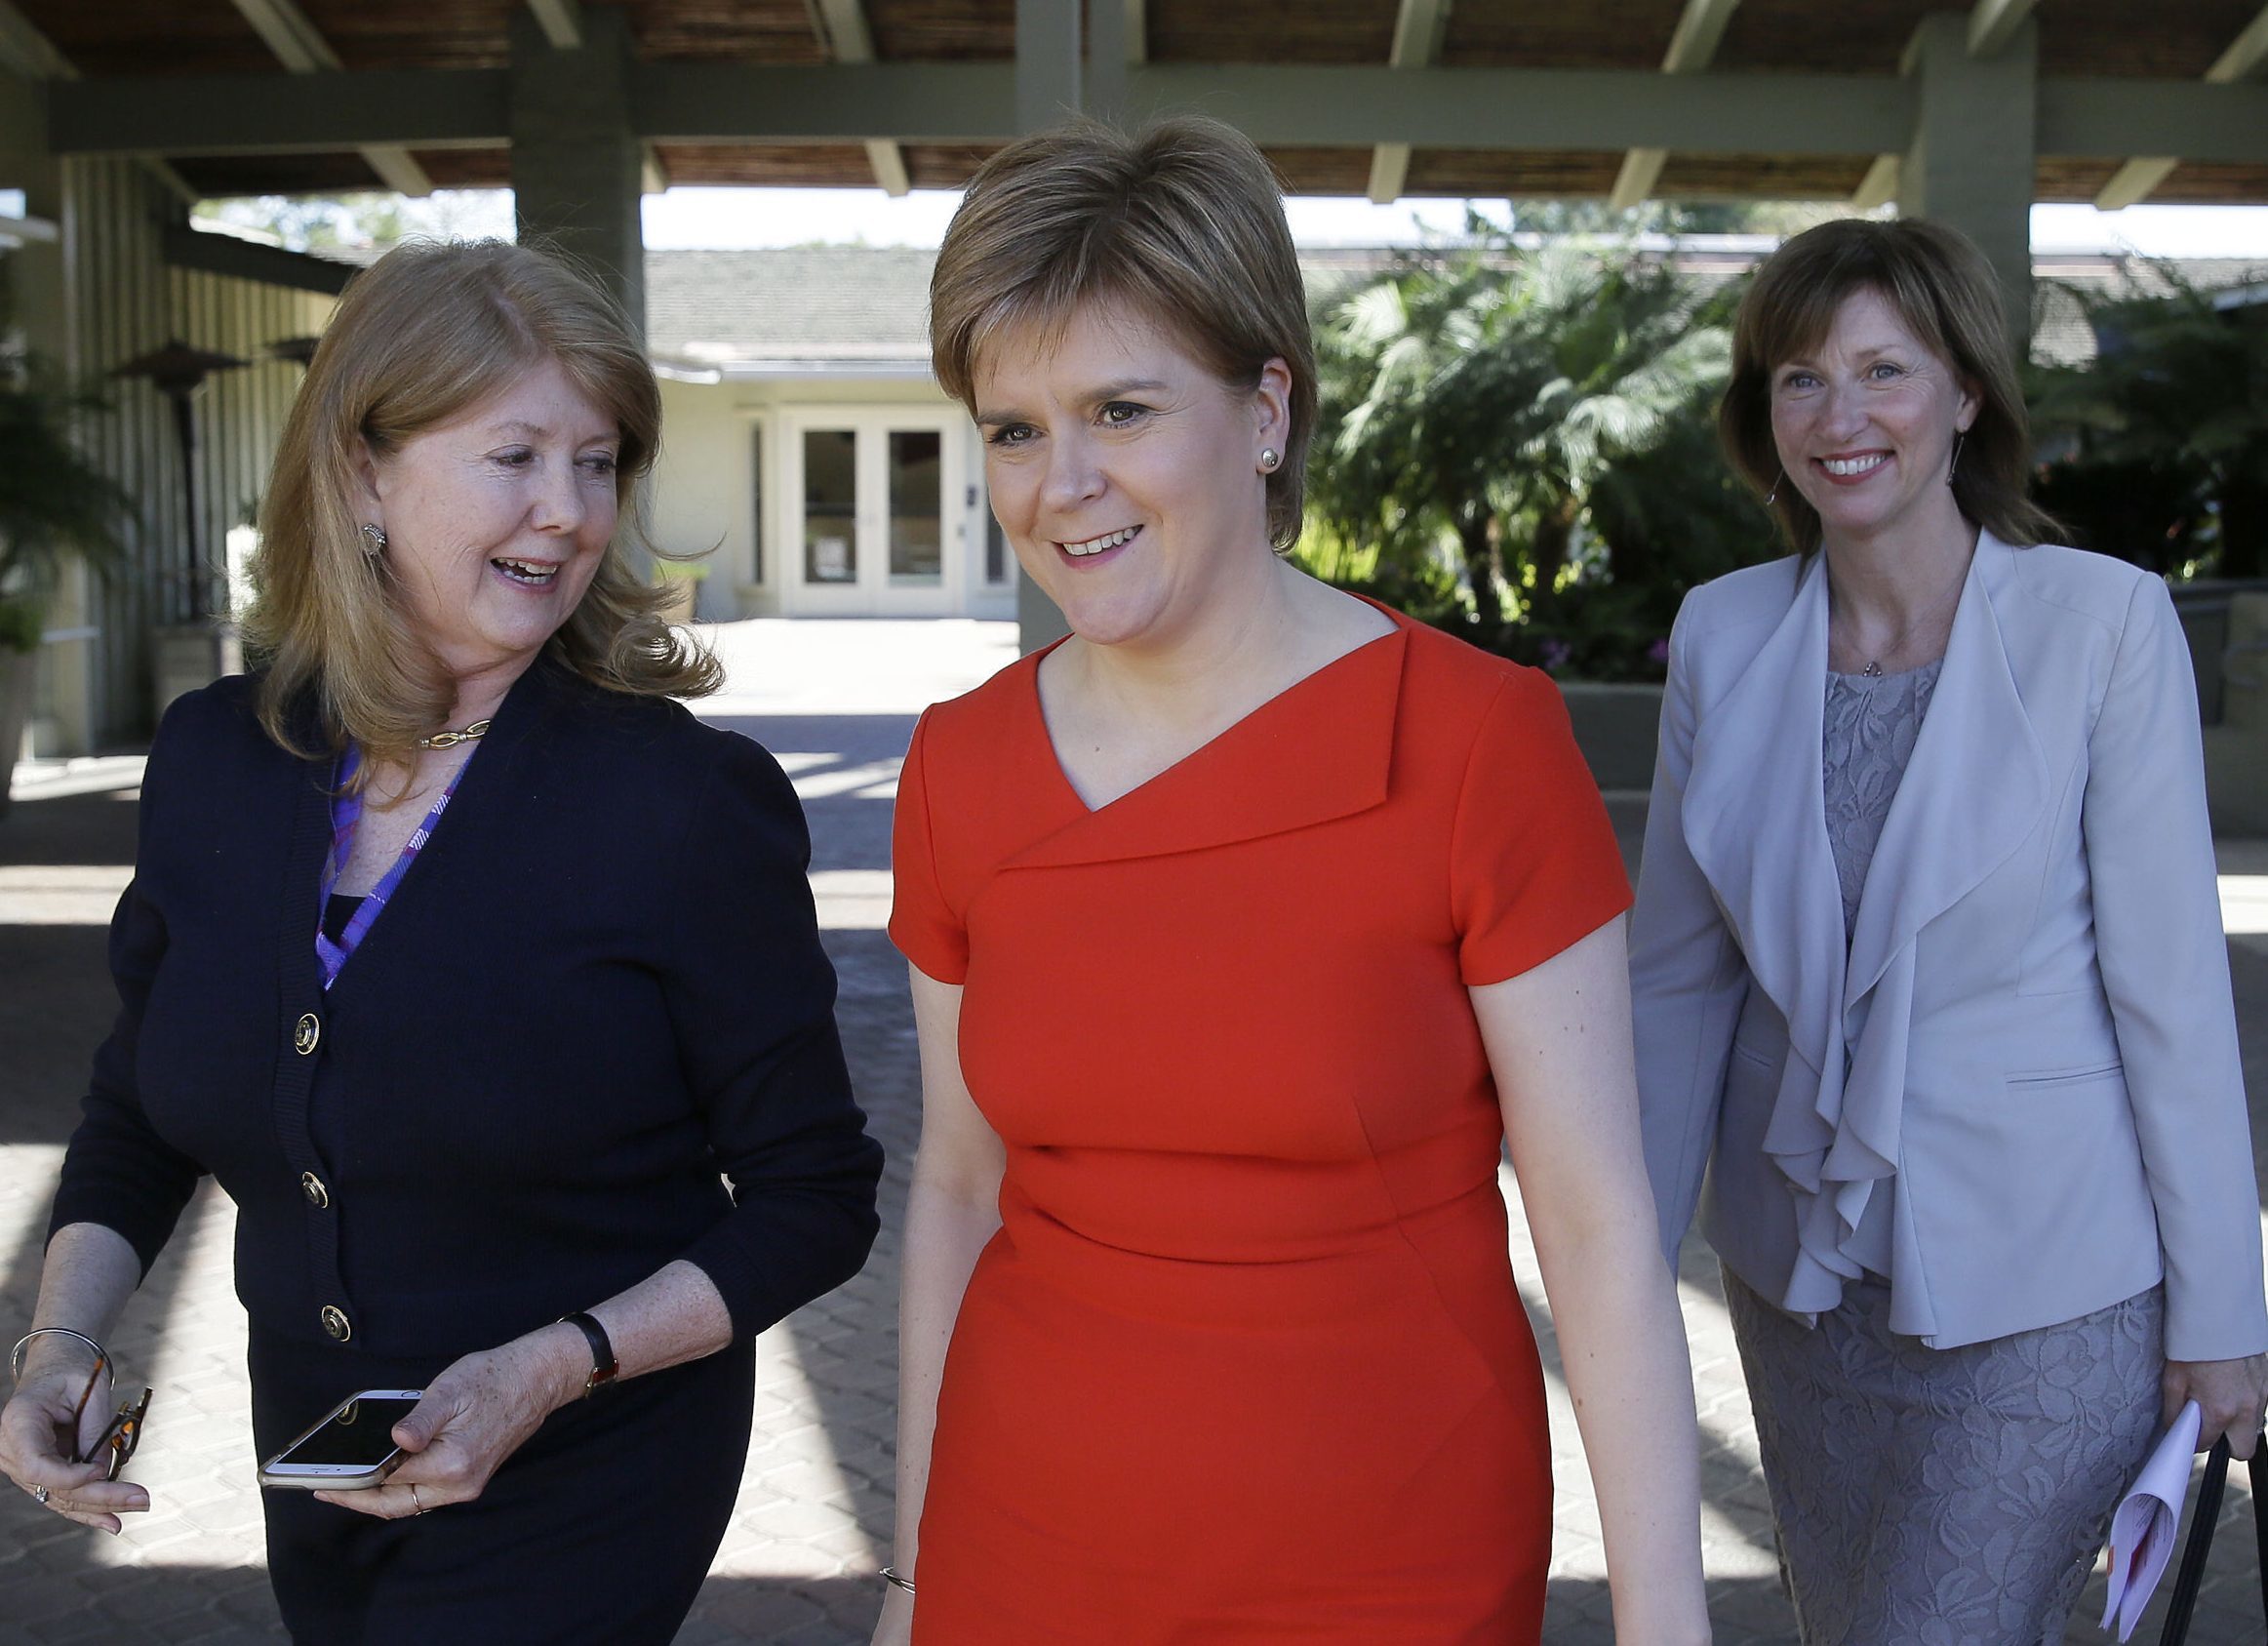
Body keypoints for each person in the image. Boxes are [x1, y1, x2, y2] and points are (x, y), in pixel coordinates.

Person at [875, 116, 1709, 1646]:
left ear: (1266, 409)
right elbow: (953, 1186)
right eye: (1010, 428)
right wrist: (917, 1576)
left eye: (1120, 409)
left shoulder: (1472, 742)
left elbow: (1594, 1224)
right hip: (1024, 1547)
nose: (1061, 486)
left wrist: (1665, 1622)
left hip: (1388, 1558)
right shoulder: (959, 766)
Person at [0, 240, 883, 1642]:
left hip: (585, 1459)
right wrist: (60, 1346)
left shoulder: (680, 804)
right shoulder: (218, 759)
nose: (568, 512)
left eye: (597, 462)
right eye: (517, 454)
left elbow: (815, 1198)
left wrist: (547, 1370)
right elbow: (138, 1106)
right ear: (362, 470)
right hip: (325, 1458)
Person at [1629, 217, 2268, 1643]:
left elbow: (2168, 998)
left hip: (2046, 1285)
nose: (1838, 417)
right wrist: (1620, 1277)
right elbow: (1671, 989)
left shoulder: (2098, 623)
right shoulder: (1723, 634)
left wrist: (2223, 1315)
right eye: (1798, 379)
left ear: (1966, 392)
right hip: (1799, 1293)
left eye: (1881, 371)